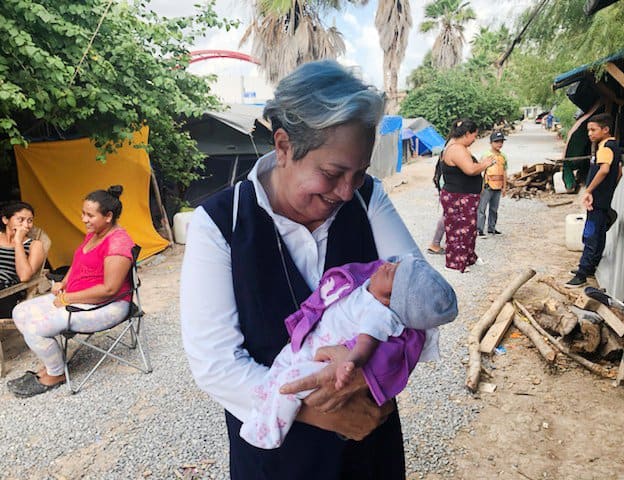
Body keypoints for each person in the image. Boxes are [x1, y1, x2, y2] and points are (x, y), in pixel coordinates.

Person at [180, 60, 456, 479]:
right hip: (277, 459)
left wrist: (369, 373)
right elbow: (215, 363)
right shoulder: (221, 222)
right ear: (284, 146)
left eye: (359, 172)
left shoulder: (368, 200)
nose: (347, 190)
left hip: (369, 442)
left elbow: (421, 304)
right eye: (332, 173)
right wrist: (318, 413)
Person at [239, 256, 457, 449]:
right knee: (280, 366)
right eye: (394, 264)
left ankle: (269, 433)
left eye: (391, 273)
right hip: (310, 345)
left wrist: (351, 363)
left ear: (391, 299)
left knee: (290, 382)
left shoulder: (378, 314)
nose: (386, 265)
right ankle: (263, 402)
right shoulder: (368, 289)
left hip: (324, 360)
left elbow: (365, 344)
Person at [7, 186, 135, 397]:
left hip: (108, 304)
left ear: (108, 216)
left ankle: (56, 374)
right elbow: (77, 263)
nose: (84, 219)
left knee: (36, 327)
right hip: (76, 297)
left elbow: (110, 289)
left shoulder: (117, 243)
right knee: (20, 312)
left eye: (90, 215)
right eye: (83, 213)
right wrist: (64, 283)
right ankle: (54, 363)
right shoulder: (94, 234)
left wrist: (69, 297)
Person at [565, 113, 622, 288]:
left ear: (605, 129)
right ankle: (591, 266)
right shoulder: (614, 146)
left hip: (596, 200)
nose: (590, 133)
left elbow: (604, 170)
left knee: (590, 235)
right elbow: (619, 172)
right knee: (599, 234)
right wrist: (610, 189)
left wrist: (589, 190)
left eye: (593, 129)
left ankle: (582, 274)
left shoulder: (605, 148)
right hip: (604, 199)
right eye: (588, 130)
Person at [440, 119, 493, 273]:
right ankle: (454, 263)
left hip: (464, 196)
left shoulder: (459, 146)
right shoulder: (456, 149)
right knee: (459, 230)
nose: (475, 139)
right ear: (467, 133)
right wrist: (484, 164)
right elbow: (470, 169)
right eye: (474, 136)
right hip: (458, 197)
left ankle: (469, 258)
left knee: (469, 229)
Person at [0, 202, 46, 317]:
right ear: (5, 220)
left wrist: (18, 242)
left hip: (7, 291)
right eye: (20, 219)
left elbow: (24, 276)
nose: (26, 225)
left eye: (30, 220)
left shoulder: (35, 245)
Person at [477, 131, 508, 236]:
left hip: (498, 186)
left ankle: (492, 227)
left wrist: (504, 187)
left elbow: (504, 172)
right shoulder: (486, 155)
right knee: (482, 208)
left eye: (501, 142)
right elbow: (480, 170)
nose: (499, 144)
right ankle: (479, 229)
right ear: (491, 143)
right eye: (496, 142)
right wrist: (480, 186)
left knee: (494, 209)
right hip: (487, 185)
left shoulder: (503, 156)